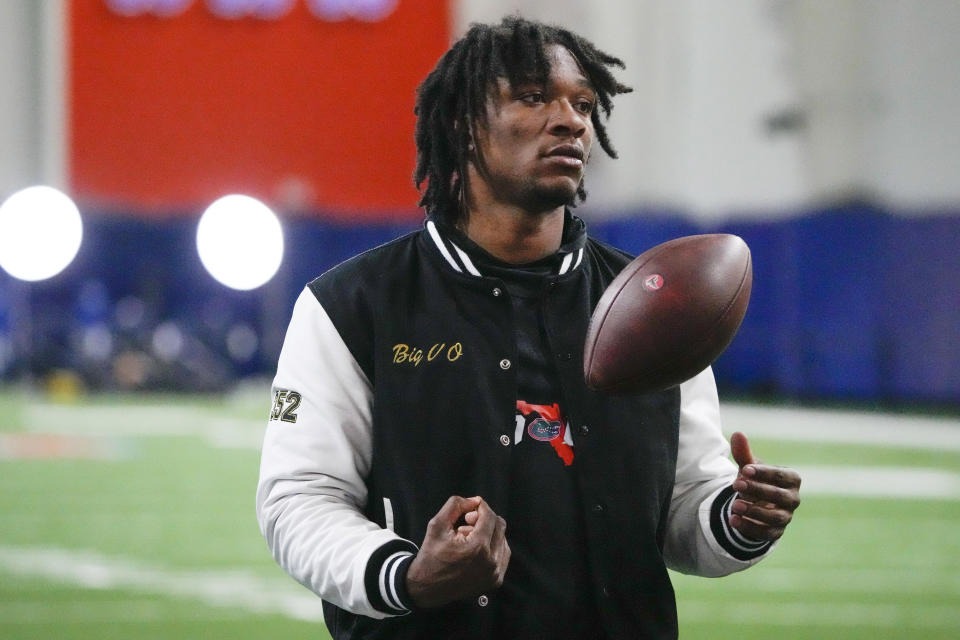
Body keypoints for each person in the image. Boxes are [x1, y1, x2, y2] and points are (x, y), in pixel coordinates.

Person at [257, 15, 801, 640]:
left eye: (584, 104)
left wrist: (734, 517)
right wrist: (406, 574)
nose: (571, 119)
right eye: (534, 96)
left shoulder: (657, 304)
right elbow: (298, 499)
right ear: (462, 122)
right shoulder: (351, 304)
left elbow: (685, 508)